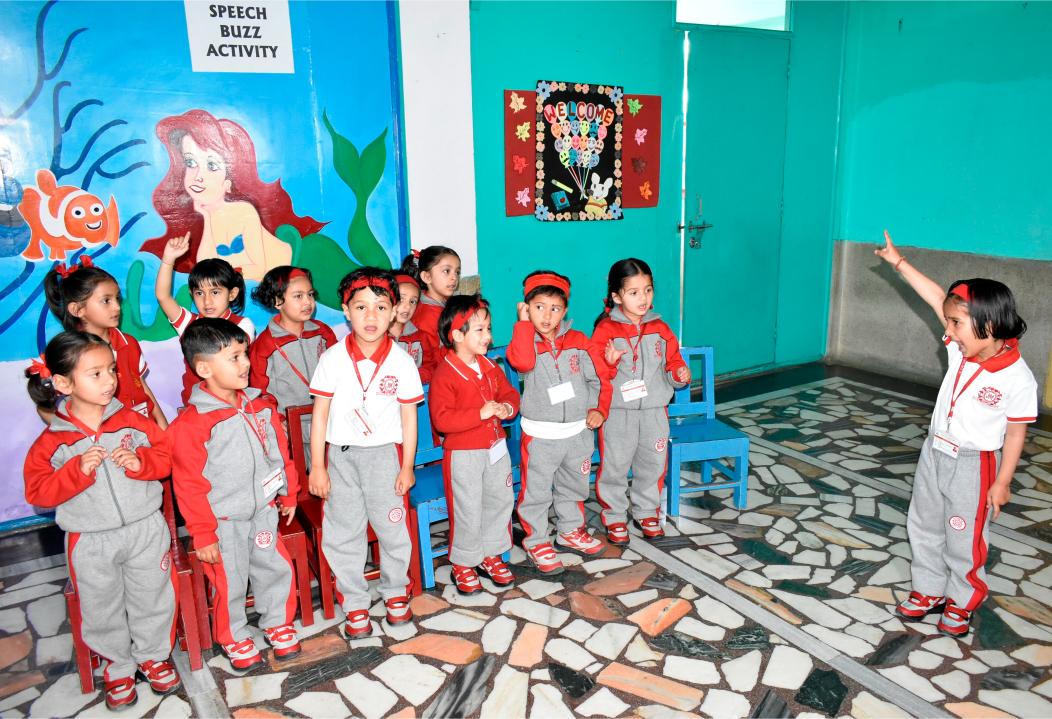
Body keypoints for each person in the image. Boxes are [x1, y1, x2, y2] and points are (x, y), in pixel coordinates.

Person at [876, 231, 1037, 637]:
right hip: (935, 452)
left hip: (974, 464)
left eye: (956, 323)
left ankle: (963, 599)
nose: (947, 330)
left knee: (965, 536)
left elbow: (1015, 435)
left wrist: (1002, 482)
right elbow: (935, 297)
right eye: (949, 321)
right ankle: (929, 589)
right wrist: (899, 263)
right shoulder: (959, 347)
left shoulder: (1017, 378)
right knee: (924, 524)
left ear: (988, 324)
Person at [24, 332, 179, 710]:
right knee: (101, 607)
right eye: (96, 373)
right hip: (90, 540)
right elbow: (38, 493)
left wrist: (142, 464)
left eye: (111, 370)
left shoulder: (132, 422)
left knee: (153, 596)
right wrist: (76, 471)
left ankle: (153, 656)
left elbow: (165, 457)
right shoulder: (52, 442)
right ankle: (118, 666)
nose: (110, 380)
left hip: (145, 528)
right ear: (63, 384)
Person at [168, 318, 301, 669]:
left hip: (263, 512)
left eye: (245, 354)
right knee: (230, 581)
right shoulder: (192, 424)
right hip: (223, 522)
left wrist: (288, 492)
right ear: (204, 368)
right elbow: (189, 485)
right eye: (234, 358)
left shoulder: (261, 407)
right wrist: (203, 534)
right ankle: (234, 636)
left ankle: (278, 622)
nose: (245, 364)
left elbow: (280, 452)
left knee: (273, 567)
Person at [307, 268, 424, 639]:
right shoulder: (331, 359)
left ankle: (395, 592)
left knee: (393, 528)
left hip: (385, 458)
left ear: (394, 312)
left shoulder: (402, 362)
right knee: (343, 532)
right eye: (361, 307)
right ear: (346, 311)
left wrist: (407, 466)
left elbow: (409, 418)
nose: (371, 316)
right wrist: (318, 467)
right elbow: (320, 415)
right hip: (341, 460)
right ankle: (355, 602)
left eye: (380, 307)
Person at [142, 109, 325, 280]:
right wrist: (206, 215)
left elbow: (259, 269)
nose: (198, 176)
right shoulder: (209, 214)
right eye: (190, 162)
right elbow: (206, 265)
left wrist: (223, 277)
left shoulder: (243, 211)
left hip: (292, 273)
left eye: (212, 166)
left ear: (228, 182)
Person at [506, 270, 607, 574]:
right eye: (539, 307)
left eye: (555, 308)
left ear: (565, 311)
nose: (547, 316)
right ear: (526, 308)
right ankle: (537, 540)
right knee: (536, 491)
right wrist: (523, 325)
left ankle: (570, 530)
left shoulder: (579, 341)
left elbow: (598, 377)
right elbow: (522, 362)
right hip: (541, 435)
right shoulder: (524, 341)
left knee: (574, 485)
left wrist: (598, 408)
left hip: (578, 432)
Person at [591, 258, 690, 544]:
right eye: (633, 292)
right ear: (616, 296)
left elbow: (673, 362)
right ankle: (614, 516)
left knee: (653, 463)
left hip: (654, 411)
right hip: (617, 413)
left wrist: (679, 374)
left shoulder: (661, 328)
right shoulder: (605, 330)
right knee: (615, 466)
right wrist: (609, 363)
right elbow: (594, 373)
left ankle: (647, 512)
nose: (643, 298)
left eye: (647, 290)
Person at [428, 295, 520, 594]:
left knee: (500, 500)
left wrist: (507, 408)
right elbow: (442, 420)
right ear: (457, 335)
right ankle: (464, 562)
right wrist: (478, 414)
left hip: (495, 448)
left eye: (488, 329)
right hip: (464, 454)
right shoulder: (445, 374)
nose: (488, 336)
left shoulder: (491, 366)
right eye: (479, 330)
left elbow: (510, 394)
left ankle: (491, 554)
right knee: (467, 507)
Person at [44, 255, 167, 428]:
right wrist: (84, 433)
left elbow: (142, 386)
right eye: (106, 301)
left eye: (117, 298)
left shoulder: (129, 343)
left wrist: (163, 426)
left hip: (146, 431)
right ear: (77, 310)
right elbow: (44, 407)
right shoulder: (69, 354)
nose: (117, 307)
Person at [249, 266, 336, 475]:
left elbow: (341, 373)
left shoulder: (323, 332)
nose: (308, 302)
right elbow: (259, 391)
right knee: (301, 482)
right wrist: (277, 420)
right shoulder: (264, 345)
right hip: (292, 429)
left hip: (328, 421)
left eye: (310, 294)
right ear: (277, 301)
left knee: (334, 478)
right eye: (298, 296)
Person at [155, 232, 255, 405]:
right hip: (196, 405)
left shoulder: (243, 325)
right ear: (191, 294)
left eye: (215, 292)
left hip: (233, 403)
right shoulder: (188, 323)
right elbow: (163, 296)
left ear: (232, 294)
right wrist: (168, 260)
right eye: (199, 293)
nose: (207, 301)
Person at [399, 246, 461, 346]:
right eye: (446, 271)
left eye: (457, 272)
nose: (454, 277)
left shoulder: (446, 302)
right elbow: (430, 354)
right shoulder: (426, 317)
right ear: (427, 277)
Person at [390, 270, 439, 384]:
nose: (407, 306)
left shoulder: (421, 336)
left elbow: (431, 367)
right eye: (401, 299)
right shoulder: (376, 337)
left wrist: (414, 376)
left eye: (412, 301)